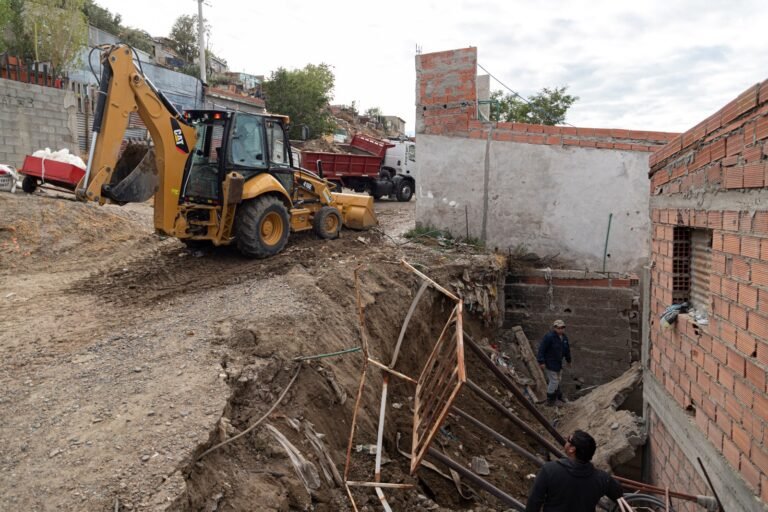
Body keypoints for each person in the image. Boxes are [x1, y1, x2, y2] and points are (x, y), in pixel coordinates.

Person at [525, 430, 623, 512]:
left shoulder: (549, 470)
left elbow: (533, 503)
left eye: (568, 440)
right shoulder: (602, 479)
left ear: (572, 449)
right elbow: (619, 494)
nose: (565, 441)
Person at [537, 319, 571, 405]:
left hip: (558, 363)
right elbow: (542, 349)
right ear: (555, 328)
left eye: (562, 327)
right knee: (554, 381)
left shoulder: (564, 338)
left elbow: (567, 350)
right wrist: (541, 361)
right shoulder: (549, 337)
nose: (561, 329)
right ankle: (550, 399)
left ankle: (558, 397)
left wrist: (568, 360)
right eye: (559, 327)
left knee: (558, 380)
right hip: (550, 363)